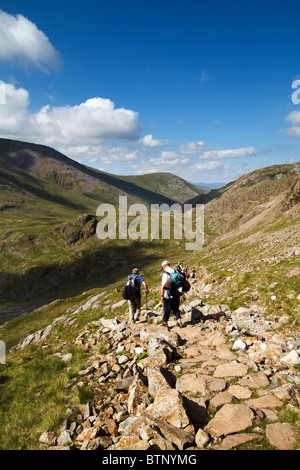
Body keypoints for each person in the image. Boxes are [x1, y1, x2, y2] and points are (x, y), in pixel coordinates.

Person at [161, 261, 183, 329]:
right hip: (176, 293)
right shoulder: (176, 272)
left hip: (168, 295)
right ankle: (179, 321)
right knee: (175, 308)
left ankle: (165, 322)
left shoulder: (165, 274)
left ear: (164, 266)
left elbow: (163, 286)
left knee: (167, 309)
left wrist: (162, 296)